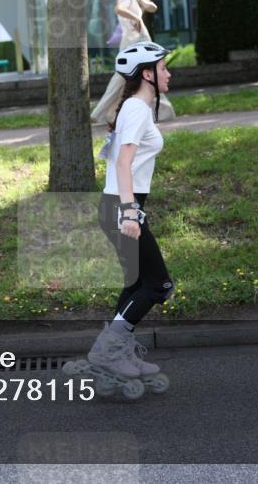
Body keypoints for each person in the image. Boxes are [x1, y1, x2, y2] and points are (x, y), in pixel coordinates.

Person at [88, 41, 174, 381]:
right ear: (148, 74)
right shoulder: (137, 109)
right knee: (158, 285)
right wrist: (129, 212)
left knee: (137, 283)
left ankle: (116, 350)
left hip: (117, 206)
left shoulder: (133, 108)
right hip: (122, 208)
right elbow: (123, 162)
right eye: (164, 67)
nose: (169, 73)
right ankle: (108, 352)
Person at [91, 0, 175, 125]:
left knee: (143, 76)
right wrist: (136, 17)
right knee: (126, 78)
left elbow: (153, 8)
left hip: (138, 44)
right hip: (131, 46)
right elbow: (119, 9)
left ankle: (161, 110)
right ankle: (100, 113)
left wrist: (143, 1)